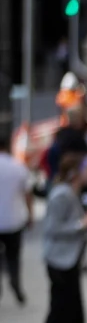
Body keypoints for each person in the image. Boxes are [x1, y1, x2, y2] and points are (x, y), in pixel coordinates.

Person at [35, 153, 87, 323]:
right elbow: (52, 228)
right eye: (86, 169)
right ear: (75, 173)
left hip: (69, 261)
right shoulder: (62, 194)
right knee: (60, 314)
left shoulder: (73, 194)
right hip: (60, 262)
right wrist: (82, 224)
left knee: (74, 315)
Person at [0, 130, 32, 306]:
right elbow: (28, 194)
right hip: (13, 219)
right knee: (14, 256)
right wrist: (30, 215)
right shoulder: (17, 167)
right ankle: (15, 283)